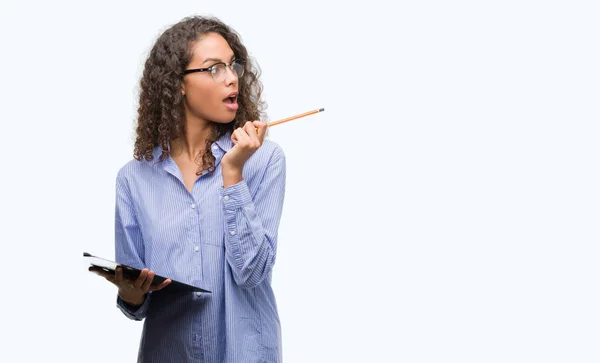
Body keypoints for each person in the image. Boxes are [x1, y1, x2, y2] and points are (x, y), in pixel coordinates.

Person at [90, 15, 286, 363]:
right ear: (178, 84)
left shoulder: (263, 160)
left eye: (233, 66)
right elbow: (137, 304)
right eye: (214, 68)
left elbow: (253, 273)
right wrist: (132, 295)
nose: (231, 78)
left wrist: (233, 173)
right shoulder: (133, 179)